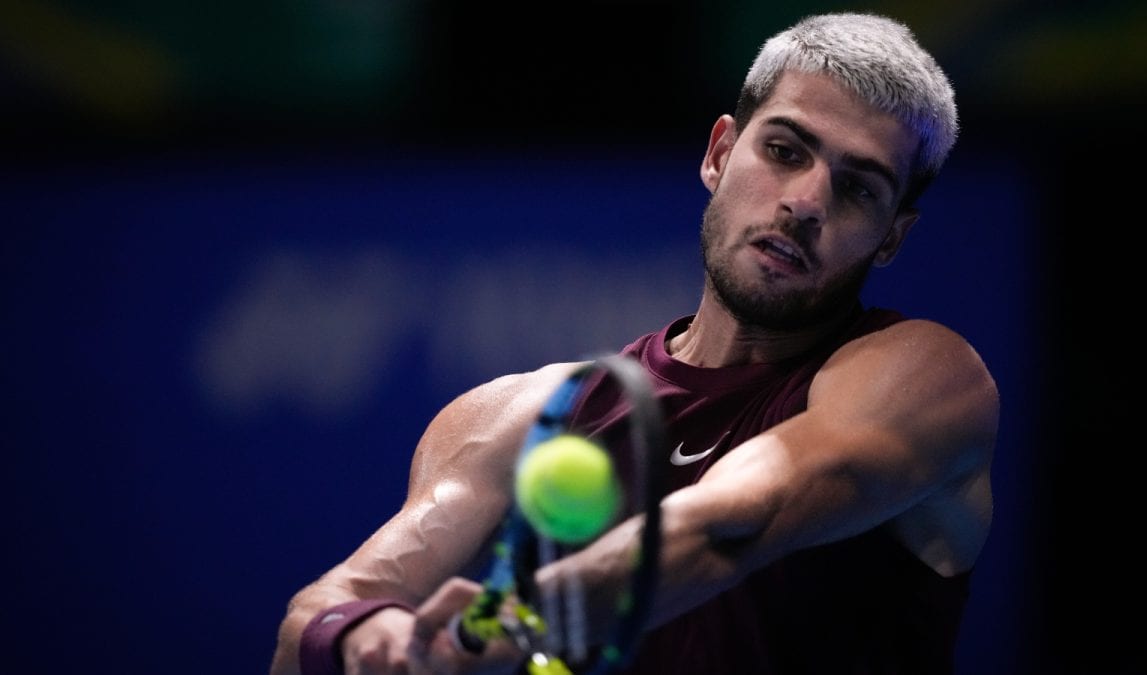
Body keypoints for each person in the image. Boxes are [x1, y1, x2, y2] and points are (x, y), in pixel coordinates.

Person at [269, 11, 999, 675]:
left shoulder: (927, 377)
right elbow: (315, 620)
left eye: (860, 189)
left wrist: (493, 634)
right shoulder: (522, 415)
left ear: (892, 238)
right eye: (783, 150)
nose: (806, 203)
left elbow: (727, 524)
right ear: (719, 153)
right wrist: (362, 636)